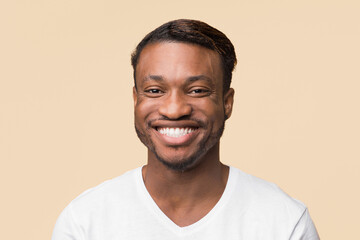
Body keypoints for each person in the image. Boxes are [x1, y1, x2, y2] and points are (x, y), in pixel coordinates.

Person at [52, 19, 319, 239]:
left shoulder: (284, 223)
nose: (174, 109)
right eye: (155, 90)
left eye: (197, 91)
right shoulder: (85, 223)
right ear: (136, 100)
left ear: (227, 103)